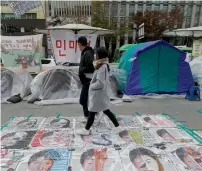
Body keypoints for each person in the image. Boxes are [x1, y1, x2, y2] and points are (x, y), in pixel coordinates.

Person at [76, 47, 119, 135]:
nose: (94, 55)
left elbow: (100, 83)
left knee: (92, 112)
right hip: (100, 94)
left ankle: (86, 130)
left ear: (99, 56)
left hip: (98, 94)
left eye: (96, 54)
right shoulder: (103, 65)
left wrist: (91, 86)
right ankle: (118, 127)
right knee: (106, 110)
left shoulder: (102, 67)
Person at [78, 36, 95, 120]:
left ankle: (88, 116)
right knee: (86, 99)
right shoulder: (86, 52)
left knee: (83, 99)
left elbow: (91, 66)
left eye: (78, 45)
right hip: (86, 80)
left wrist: (82, 70)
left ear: (80, 44)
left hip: (87, 80)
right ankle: (88, 115)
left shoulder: (87, 53)